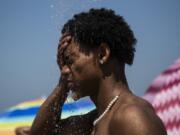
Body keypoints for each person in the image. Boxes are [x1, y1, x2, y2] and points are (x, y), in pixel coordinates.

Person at [16, 8, 167, 135]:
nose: (64, 70)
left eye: (69, 60)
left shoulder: (131, 117)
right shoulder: (96, 119)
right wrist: (63, 85)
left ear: (102, 54)